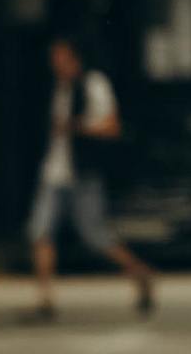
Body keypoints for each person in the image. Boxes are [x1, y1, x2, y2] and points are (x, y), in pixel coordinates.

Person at [26, 36, 156, 321]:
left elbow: (111, 126)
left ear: (74, 56)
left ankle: (140, 272)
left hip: (83, 173)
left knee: (94, 235)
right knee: (40, 231)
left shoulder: (92, 84)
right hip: (54, 172)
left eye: (60, 56)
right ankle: (45, 299)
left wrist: (76, 126)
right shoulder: (54, 89)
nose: (55, 62)